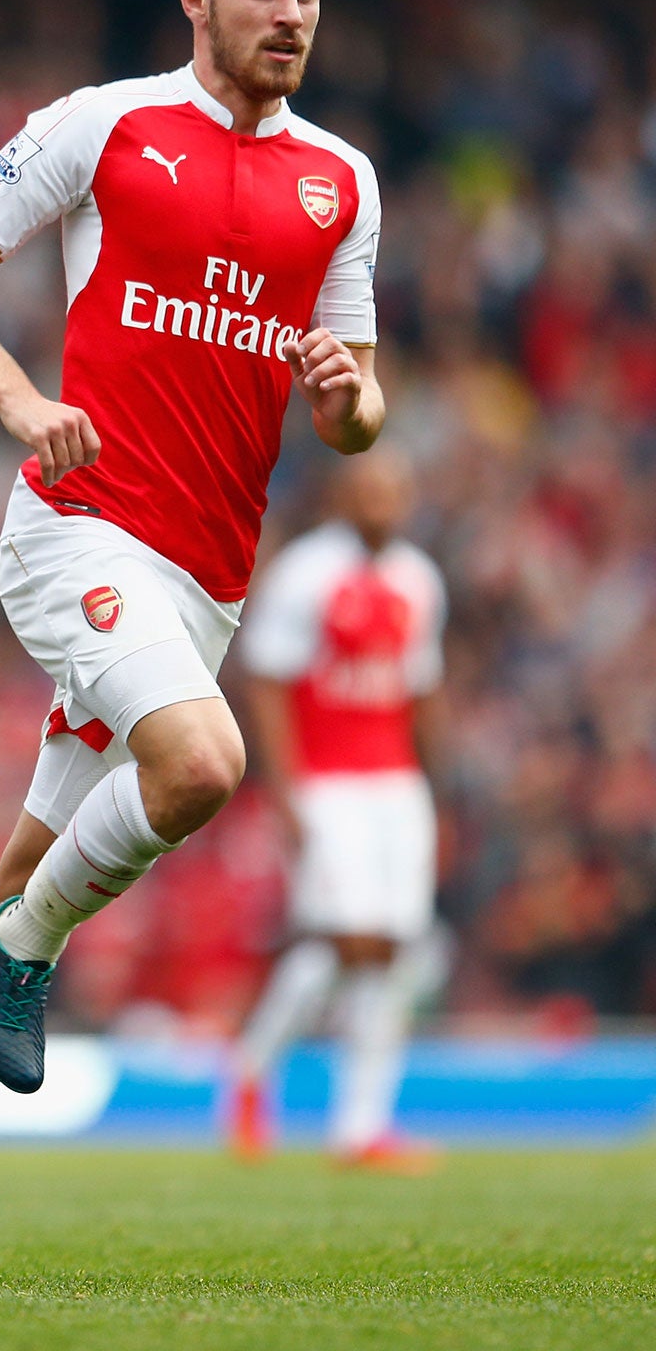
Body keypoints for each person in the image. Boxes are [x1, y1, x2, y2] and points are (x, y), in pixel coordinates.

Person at [0, 0, 387, 1276]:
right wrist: (22, 405)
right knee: (201, 763)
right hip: (78, 526)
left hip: (209, 576)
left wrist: (342, 394)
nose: (292, 16)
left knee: (35, 867)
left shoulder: (343, 180)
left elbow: (362, 407)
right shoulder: (106, 124)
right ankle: (20, 959)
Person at [227, 452, 447, 1171]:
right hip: (327, 782)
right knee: (351, 940)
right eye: (370, 490)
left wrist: (432, 793)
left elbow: (420, 689)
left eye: (395, 490)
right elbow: (266, 680)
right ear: (342, 497)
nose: (384, 503)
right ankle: (257, 1069)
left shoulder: (419, 579)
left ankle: (361, 1126)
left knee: (390, 947)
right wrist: (285, 792)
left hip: (395, 783)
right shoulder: (308, 573)